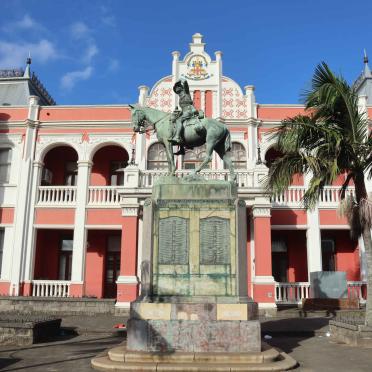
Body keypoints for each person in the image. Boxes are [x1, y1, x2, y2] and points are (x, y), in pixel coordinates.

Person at [169, 78, 198, 146]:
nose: (176, 89)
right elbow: (183, 109)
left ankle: (177, 137)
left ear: (181, 88)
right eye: (175, 88)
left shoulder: (186, 92)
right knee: (173, 120)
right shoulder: (180, 97)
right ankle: (182, 147)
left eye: (177, 87)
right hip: (185, 112)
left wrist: (180, 80)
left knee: (179, 121)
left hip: (189, 111)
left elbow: (185, 83)